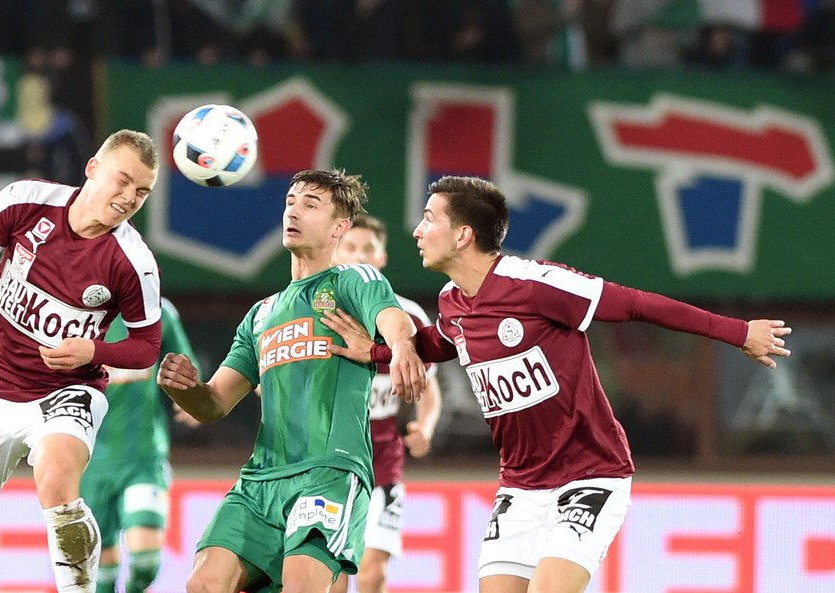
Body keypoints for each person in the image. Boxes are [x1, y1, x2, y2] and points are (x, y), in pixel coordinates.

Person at [321, 175, 792, 593]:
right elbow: (438, 343)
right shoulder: (452, 302)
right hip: (520, 486)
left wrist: (738, 332)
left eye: (429, 219)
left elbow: (637, 304)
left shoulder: (536, 284)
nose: (418, 231)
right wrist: (376, 352)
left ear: (463, 235)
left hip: (590, 475)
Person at [0, 129, 164, 593]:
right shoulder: (24, 202)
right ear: (93, 168)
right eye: (123, 181)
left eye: (142, 191)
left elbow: (146, 346)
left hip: (69, 392)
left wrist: (94, 351)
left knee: (57, 483)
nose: (129, 198)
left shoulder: (134, 262)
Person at [156, 169, 428, 593]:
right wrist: (184, 389)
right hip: (260, 480)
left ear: (339, 227)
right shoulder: (260, 314)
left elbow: (393, 319)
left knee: (302, 585)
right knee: (204, 584)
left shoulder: (353, 281)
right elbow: (214, 404)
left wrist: (402, 345)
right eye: (291, 202)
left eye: (310, 205)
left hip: (329, 472)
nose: (293, 212)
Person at [329, 214, 443, 593]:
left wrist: (425, 427)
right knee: (333, 573)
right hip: (329, 461)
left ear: (382, 258)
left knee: (372, 571)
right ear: (335, 254)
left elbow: (428, 388)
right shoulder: (318, 314)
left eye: (368, 249)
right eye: (350, 248)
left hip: (383, 462)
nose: (360, 256)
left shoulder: (408, 317)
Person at [81, 298, 199, 593]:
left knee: (146, 562)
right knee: (101, 573)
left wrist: (191, 395)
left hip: (144, 459)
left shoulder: (158, 312)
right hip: (89, 463)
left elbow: (186, 367)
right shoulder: (75, 313)